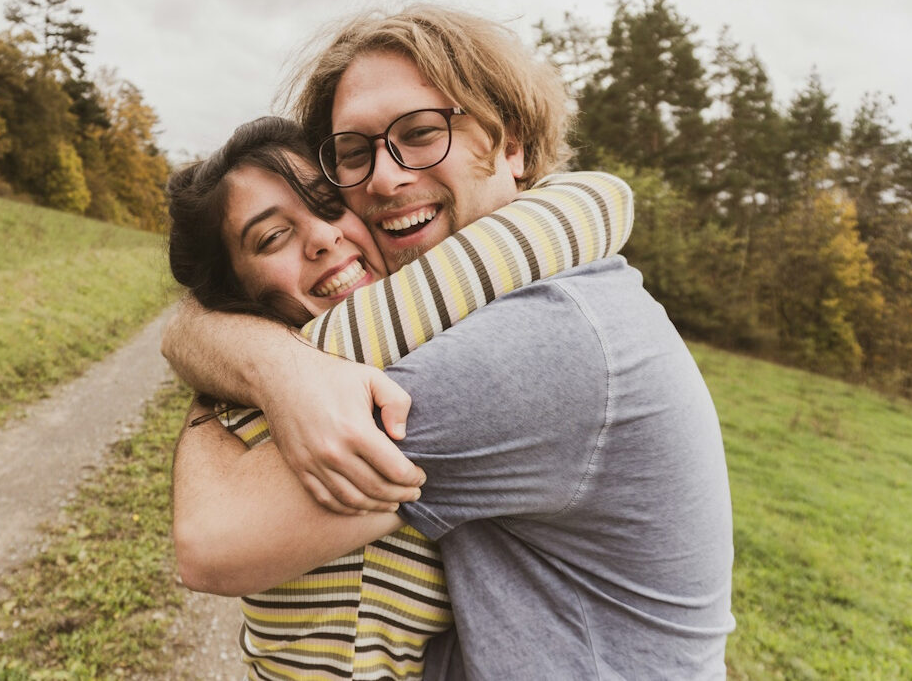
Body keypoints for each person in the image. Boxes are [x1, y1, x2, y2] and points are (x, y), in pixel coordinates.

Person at [169, 6, 734, 679]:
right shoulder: (484, 305)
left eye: (420, 133)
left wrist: (247, 363)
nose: (383, 177)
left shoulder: (541, 341)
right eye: (355, 153)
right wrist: (254, 359)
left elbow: (217, 537)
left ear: (513, 147)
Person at [167, 116, 633, 679]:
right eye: (271, 238)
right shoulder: (360, 376)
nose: (322, 237)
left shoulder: (272, 375)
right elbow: (596, 204)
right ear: (236, 292)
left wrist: (220, 354)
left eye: (329, 203)